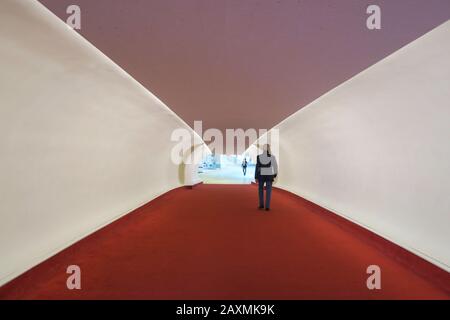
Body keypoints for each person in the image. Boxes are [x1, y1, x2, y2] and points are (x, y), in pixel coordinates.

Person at [254, 144, 278, 211]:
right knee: (268, 191)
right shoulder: (272, 157)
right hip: (269, 175)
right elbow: (275, 166)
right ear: (268, 149)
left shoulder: (258, 157)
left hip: (261, 175)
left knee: (260, 190)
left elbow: (257, 167)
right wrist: (274, 175)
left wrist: (256, 176)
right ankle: (267, 206)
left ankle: (261, 205)